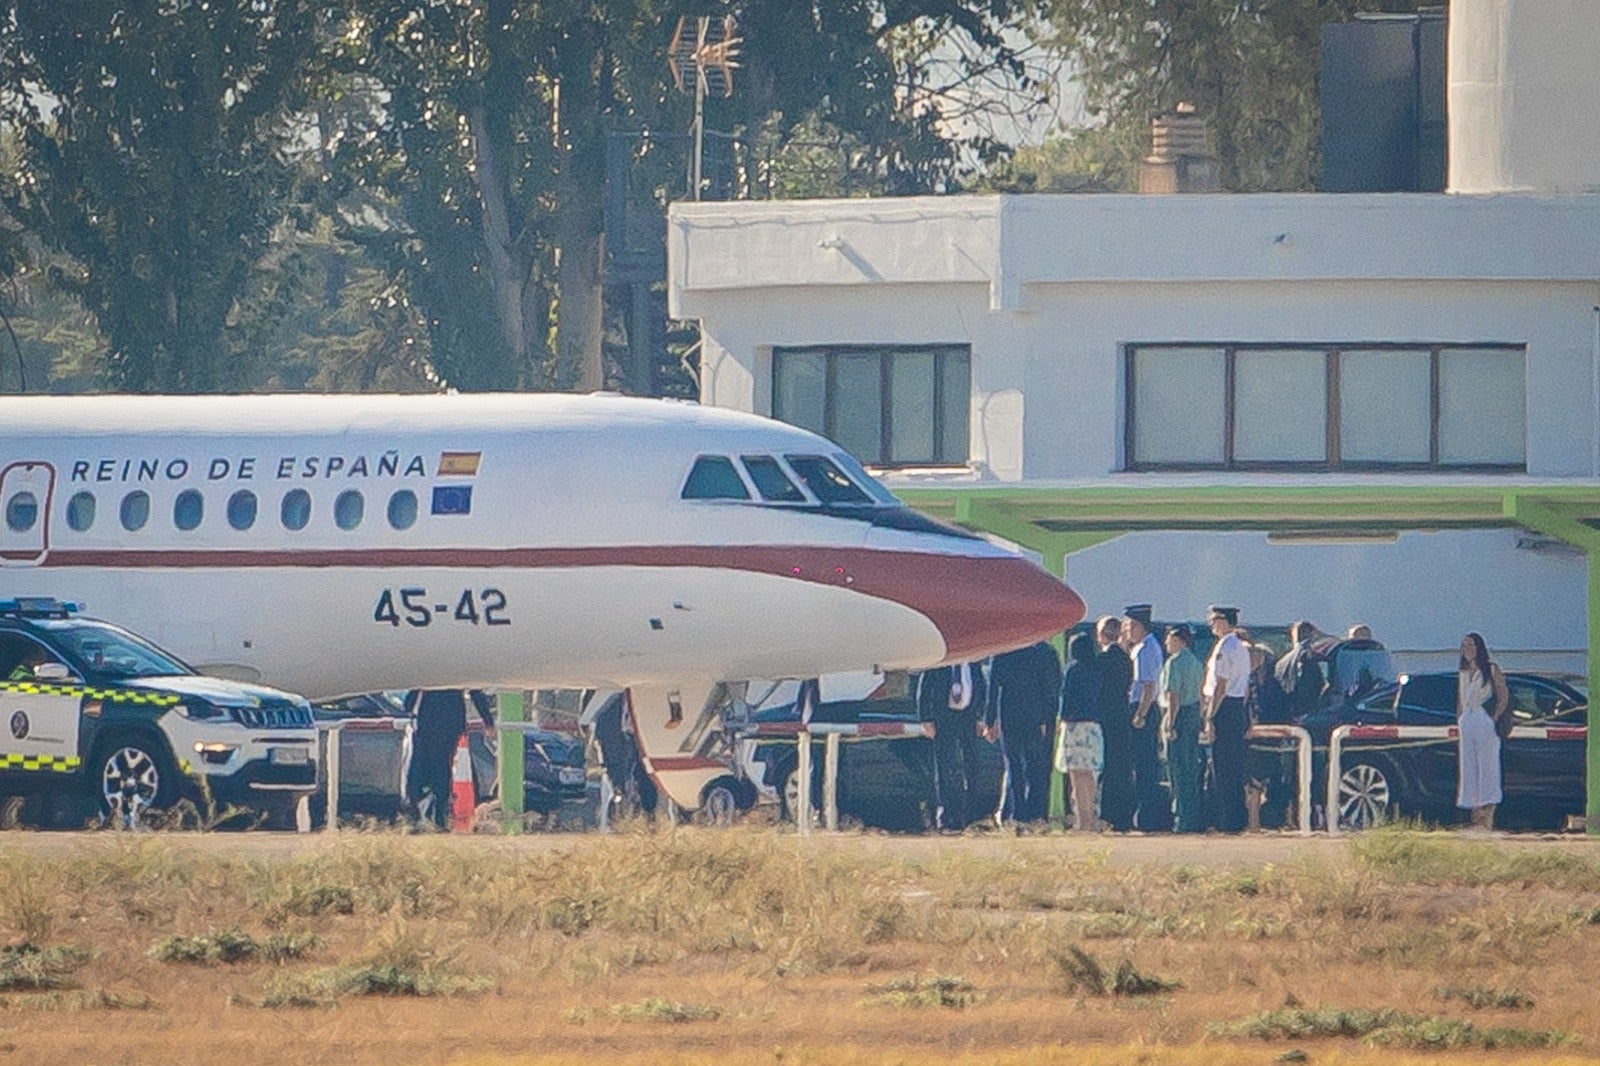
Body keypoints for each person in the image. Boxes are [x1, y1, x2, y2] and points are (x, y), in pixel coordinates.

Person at [986, 641, 1061, 825]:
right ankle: (1035, 814)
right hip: (1034, 717)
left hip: (1009, 714)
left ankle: (1017, 813)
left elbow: (993, 687)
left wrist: (989, 720)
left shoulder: (1001, 651)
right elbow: (1048, 687)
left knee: (1013, 765)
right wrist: (1045, 717)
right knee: (1035, 766)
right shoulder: (1041, 653)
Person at [406, 689, 496, 829]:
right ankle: (437, 816)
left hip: (430, 720)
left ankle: (421, 816)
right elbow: (474, 689)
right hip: (450, 721)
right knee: (441, 768)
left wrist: (409, 704)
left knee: (422, 770)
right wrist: (487, 718)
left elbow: (419, 682)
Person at [918, 661, 987, 831]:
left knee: (972, 765)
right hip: (945, 717)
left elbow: (981, 688)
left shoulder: (973, 663)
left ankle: (971, 815)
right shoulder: (938, 664)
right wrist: (926, 718)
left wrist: (981, 717)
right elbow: (924, 689)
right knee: (945, 765)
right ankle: (947, 815)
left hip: (968, 718)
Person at [1201, 605, 1251, 833]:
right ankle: (1237, 819)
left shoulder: (1224, 646)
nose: (1211, 624)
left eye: (1214, 620)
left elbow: (1220, 686)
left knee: (1222, 768)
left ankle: (1225, 820)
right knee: (1235, 767)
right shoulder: (1241, 647)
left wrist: (1210, 717)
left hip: (1224, 707)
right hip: (1237, 706)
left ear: (1222, 621)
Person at [1122, 605, 1170, 831]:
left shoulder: (1144, 649)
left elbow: (1148, 686)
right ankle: (1144, 816)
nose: (1127, 630)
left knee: (1144, 765)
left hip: (1143, 708)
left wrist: (1140, 714)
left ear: (1140, 626)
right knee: (1143, 764)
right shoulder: (1145, 646)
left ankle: (1147, 818)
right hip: (1145, 706)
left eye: (1130, 625)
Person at [1457, 632, 1510, 830]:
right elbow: (1460, 700)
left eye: (1470, 645)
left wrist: (1494, 716)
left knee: (1487, 766)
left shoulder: (1491, 669)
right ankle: (1474, 812)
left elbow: (1503, 694)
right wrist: (1460, 719)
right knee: (1469, 766)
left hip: (1484, 719)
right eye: (1464, 646)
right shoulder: (1463, 672)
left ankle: (1488, 813)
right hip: (1467, 721)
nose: (1467, 649)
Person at [1160, 624, 1205, 833]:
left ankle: (1181, 818)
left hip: (1179, 715)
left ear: (1179, 640)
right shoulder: (1196, 663)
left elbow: (1173, 695)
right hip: (1193, 714)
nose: (1166, 643)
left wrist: (1170, 721)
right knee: (1190, 767)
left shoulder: (1174, 662)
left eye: (1169, 639)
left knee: (1177, 769)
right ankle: (1193, 817)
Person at [1055, 632, 1103, 831]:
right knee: (1089, 775)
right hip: (1093, 727)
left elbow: (1065, 699)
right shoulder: (1097, 669)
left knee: (1076, 775)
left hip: (1075, 727)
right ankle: (1090, 818)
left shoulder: (1072, 669)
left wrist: (1061, 718)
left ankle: (1082, 820)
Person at [1094, 616, 1135, 832]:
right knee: (1121, 766)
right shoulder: (1126, 660)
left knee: (1106, 766)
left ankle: (1106, 814)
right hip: (1121, 715)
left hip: (1104, 717)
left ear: (1101, 635)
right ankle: (1123, 816)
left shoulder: (1101, 661)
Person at [1274, 621, 1326, 721]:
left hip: (1286, 714)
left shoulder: (1282, 662)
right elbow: (1313, 685)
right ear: (1313, 634)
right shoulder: (1310, 656)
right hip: (1308, 714)